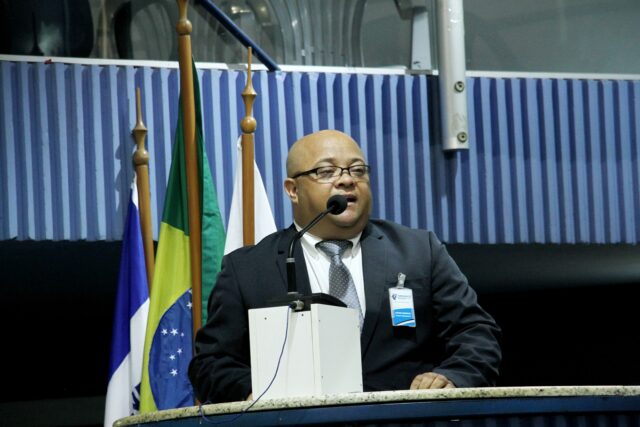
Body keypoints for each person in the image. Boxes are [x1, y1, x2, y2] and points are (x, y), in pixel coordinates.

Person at [189, 130, 501, 403]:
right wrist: (258, 392)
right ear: (293, 190)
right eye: (326, 171)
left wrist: (453, 377)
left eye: (358, 170)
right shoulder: (248, 269)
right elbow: (211, 363)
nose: (348, 180)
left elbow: (476, 333)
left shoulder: (419, 251)